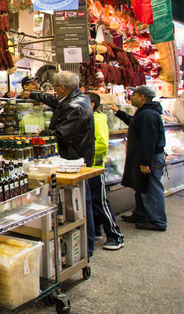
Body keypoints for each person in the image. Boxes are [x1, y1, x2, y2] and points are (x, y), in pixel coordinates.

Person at [22, 71, 96, 256]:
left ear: (62, 88)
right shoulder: (77, 99)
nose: (54, 91)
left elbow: (61, 136)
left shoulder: (74, 107)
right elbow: (56, 102)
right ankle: (85, 244)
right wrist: (31, 94)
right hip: (77, 156)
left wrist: (43, 134)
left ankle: (86, 246)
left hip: (73, 159)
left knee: (81, 204)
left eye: (55, 87)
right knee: (80, 202)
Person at [110, 86, 167, 231]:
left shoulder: (148, 114)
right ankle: (142, 214)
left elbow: (149, 139)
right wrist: (118, 112)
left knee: (151, 188)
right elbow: (134, 123)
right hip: (146, 157)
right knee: (141, 186)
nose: (131, 96)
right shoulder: (143, 112)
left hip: (151, 158)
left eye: (134, 94)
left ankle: (158, 221)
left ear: (142, 97)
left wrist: (145, 162)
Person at [85, 91, 124, 250]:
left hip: (95, 167)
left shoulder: (97, 120)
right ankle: (96, 231)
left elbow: (101, 144)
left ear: (91, 105)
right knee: (93, 202)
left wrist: (85, 155)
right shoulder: (88, 119)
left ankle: (116, 236)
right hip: (86, 167)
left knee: (100, 203)